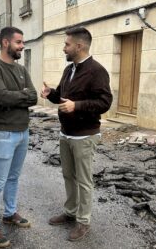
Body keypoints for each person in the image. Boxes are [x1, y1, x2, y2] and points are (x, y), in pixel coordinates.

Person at [41, 27, 112, 241]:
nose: (64, 48)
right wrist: (52, 94)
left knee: (83, 180)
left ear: (79, 46)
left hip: (84, 136)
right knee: (68, 176)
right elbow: (64, 98)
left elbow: (105, 102)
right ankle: (70, 212)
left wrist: (77, 106)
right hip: (66, 134)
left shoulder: (97, 70)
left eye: (67, 44)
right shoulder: (69, 69)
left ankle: (83, 221)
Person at [0, 26, 37, 248]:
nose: (22, 46)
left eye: (22, 43)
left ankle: (10, 213)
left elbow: (33, 97)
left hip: (23, 131)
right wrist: (22, 96)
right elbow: (2, 98)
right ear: (6, 43)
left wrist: (20, 96)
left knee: (13, 177)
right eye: (19, 42)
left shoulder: (22, 70)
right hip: (3, 132)